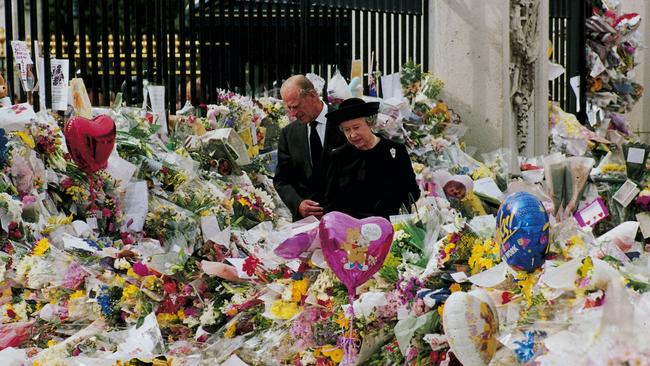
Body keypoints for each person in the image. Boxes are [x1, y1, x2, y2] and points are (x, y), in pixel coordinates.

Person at [322, 98, 420, 219]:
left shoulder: (394, 150)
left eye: (356, 127)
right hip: (351, 231)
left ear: (370, 123)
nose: (352, 135)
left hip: (389, 227)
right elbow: (330, 202)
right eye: (347, 130)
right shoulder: (338, 156)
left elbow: (413, 191)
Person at [274, 75, 347, 221]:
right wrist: (298, 204)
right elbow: (282, 180)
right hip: (307, 223)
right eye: (289, 108)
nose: (293, 113)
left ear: (312, 95)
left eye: (295, 106)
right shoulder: (288, 134)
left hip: (345, 218)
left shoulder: (345, 123)